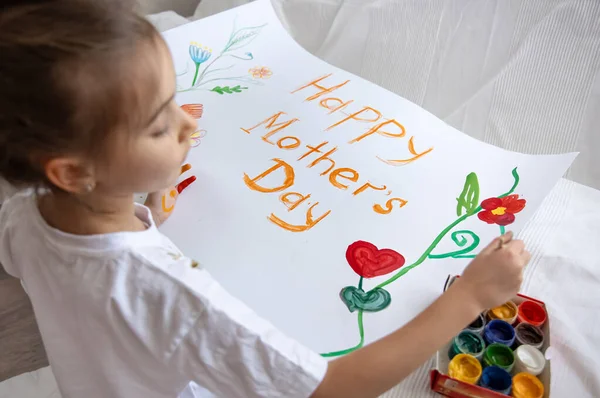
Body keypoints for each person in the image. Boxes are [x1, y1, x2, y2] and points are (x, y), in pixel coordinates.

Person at [0, 1, 531, 397]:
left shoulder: (24, 211)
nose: (188, 122)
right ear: (73, 170)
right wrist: (468, 298)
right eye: (158, 125)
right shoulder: (172, 295)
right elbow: (331, 389)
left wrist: (144, 186)